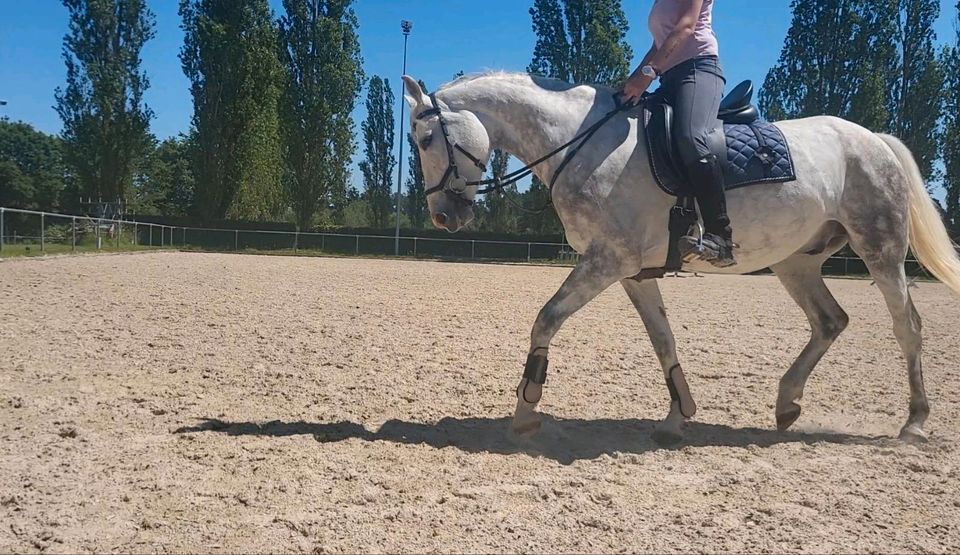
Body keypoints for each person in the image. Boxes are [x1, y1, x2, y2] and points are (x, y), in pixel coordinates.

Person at [621, 0, 735, 267]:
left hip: (699, 69)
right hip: (669, 78)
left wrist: (646, 75)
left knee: (690, 137)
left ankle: (720, 237)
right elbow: (658, 46)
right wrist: (632, 81)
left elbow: (685, 27)